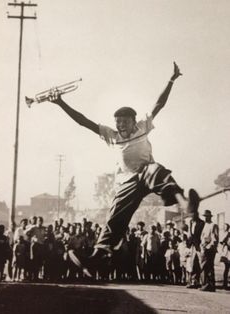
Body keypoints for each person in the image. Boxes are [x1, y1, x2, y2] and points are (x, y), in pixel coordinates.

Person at [49, 62, 199, 274]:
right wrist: (61, 103)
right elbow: (83, 121)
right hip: (126, 183)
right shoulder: (111, 136)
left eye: (125, 121)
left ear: (133, 121)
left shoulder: (142, 127)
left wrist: (171, 80)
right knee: (114, 218)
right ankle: (97, 257)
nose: (121, 125)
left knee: (156, 170)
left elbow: (159, 104)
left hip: (146, 173)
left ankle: (185, 204)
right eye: (118, 122)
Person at [199, 210, 219, 292]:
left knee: (209, 266)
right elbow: (202, 237)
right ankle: (206, 284)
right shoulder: (205, 225)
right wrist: (202, 246)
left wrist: (208, 246)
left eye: (207, 216)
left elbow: (214, 239)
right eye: (205, 216)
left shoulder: (213, 225)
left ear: (210, 217)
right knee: (205, 267)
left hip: (209, 249)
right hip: (204, 248)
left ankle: (210, 285)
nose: (206, 218)